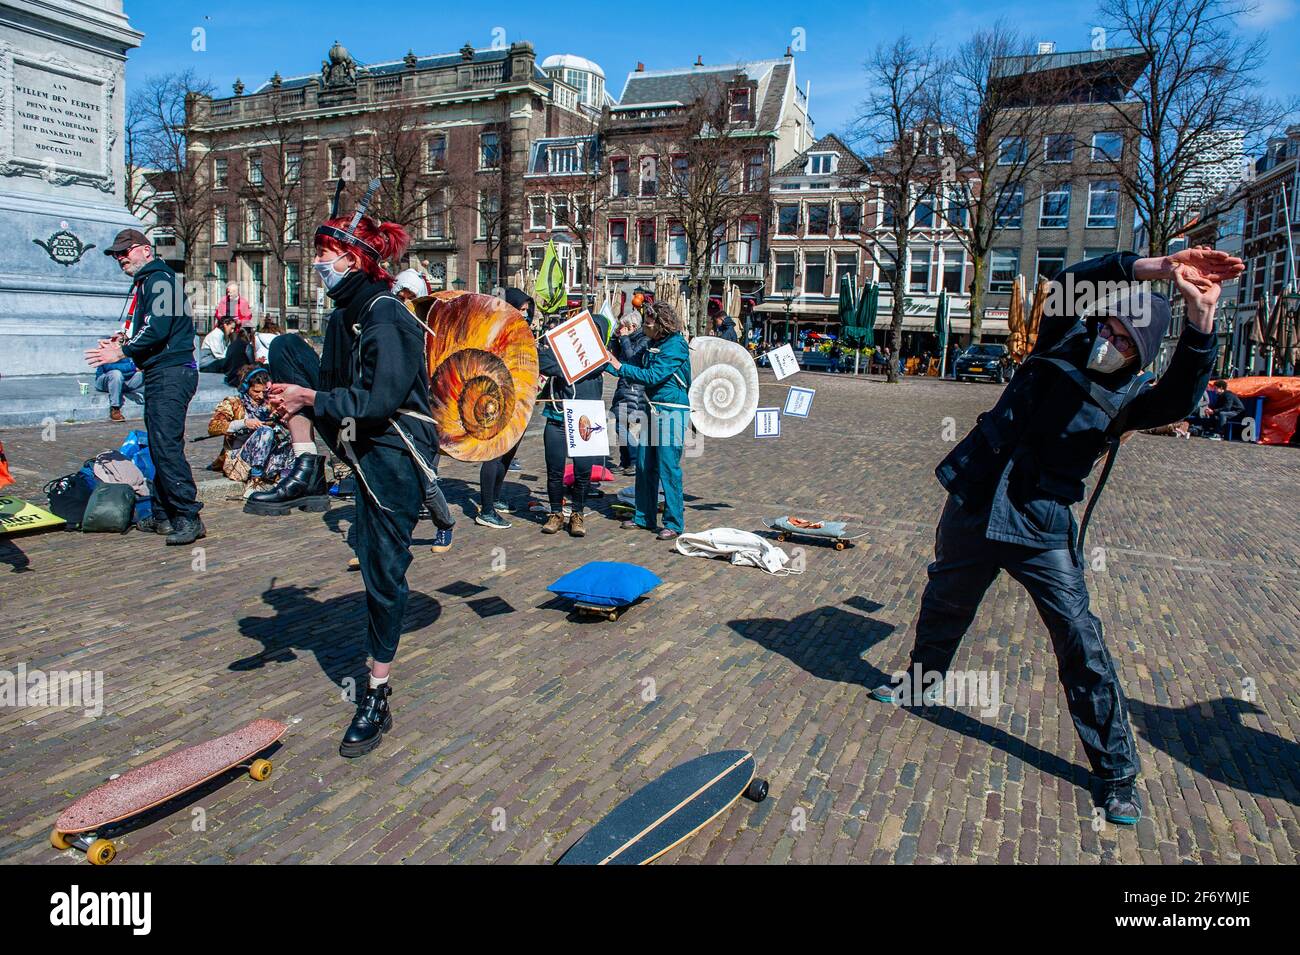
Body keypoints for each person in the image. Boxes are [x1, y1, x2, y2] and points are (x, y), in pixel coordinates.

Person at [869, 246, 1244, 827]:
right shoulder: (1059, 340)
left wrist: (1200, 320)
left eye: (1125, 342)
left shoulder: (1128, 401)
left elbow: (1180, 397)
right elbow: (1069, 283)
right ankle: (921, 680)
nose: (1110, 340)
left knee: (1079, 641)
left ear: (1138, 356)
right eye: (1111, 326)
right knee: (945, 597)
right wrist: (1155, 268)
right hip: (975, 494)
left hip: (1040, 522)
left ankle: (1117, 773)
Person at [268, 207, 438, 758]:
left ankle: (377, 694)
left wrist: (311, 400)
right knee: (285, 349)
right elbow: (333, 385)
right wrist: (289, 400)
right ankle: (305, 463)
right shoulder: (343, 314)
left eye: (322, 255)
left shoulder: (387, 315)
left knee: (382, 572)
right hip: (355, 436)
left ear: (349, 257)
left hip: (394, 452)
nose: (316, 264)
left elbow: (379, 401)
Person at [85, 228, 205, 545]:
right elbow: (153, 326)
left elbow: (159, 327)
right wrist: (126, 340)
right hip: (162, 371)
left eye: (126, 251)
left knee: (165, 445)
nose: (121, 258)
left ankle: (189, 516)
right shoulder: (149, 282)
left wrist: (123, 351)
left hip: (172, 373)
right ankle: (164, 514)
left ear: (146, 250)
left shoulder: (159, 279)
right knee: (158, 445)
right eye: (116, 254)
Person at [605, 301, 692, 541]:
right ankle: (644, 516)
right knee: (644, 465)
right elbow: (632, 365)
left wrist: (619, 367)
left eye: (649, 323)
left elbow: (653, 376)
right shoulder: (652, 343)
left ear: (661, 324)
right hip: (652, 409)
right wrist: (606, 361)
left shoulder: (676, 346)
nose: (645, 326)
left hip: (671, 410)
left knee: (668, 467)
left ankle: (674, 522)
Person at [535, 308, 613, 538]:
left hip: (585, 418)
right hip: (557, 417)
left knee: (582, 471)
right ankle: (555, 513)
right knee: (555, 470)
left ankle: (577, 514)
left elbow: (568, 367)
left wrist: (561, 362)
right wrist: (559, 354)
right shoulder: (562, 353)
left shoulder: (599, 359)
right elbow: (542, 362)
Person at [207, 364, 294, 494]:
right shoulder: (233, 403)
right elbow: (213, 427)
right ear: (246, 388)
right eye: (256, 391)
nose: (260, 396)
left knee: (290, 437)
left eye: (263, 392)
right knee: (265, 431)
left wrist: (282, 417)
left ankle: (285, 479)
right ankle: (255, 482)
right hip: (239, 459)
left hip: (266, 458)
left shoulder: (269, 404)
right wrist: (244, 423)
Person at [610, 311, 649, 476]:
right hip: (624, 386)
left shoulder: (644, 340)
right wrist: (615, 339)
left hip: (635, 389)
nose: (621, 330)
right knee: (620, 422)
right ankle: (625, 461)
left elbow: (632, 358)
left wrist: (624, 338)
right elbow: (619, 359)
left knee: (623, 424)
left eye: (624, 327)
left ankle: (633, 461)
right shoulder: (629, 339)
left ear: (633, 326)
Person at [93, 356, 144, 421]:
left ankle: (153, 404)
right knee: (116, 374)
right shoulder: (106, 346)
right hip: (106, 380)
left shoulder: (131, 346)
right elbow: (108, 367)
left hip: (126, 380)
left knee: (149, 371)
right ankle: (115, 408)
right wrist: (133, 367)